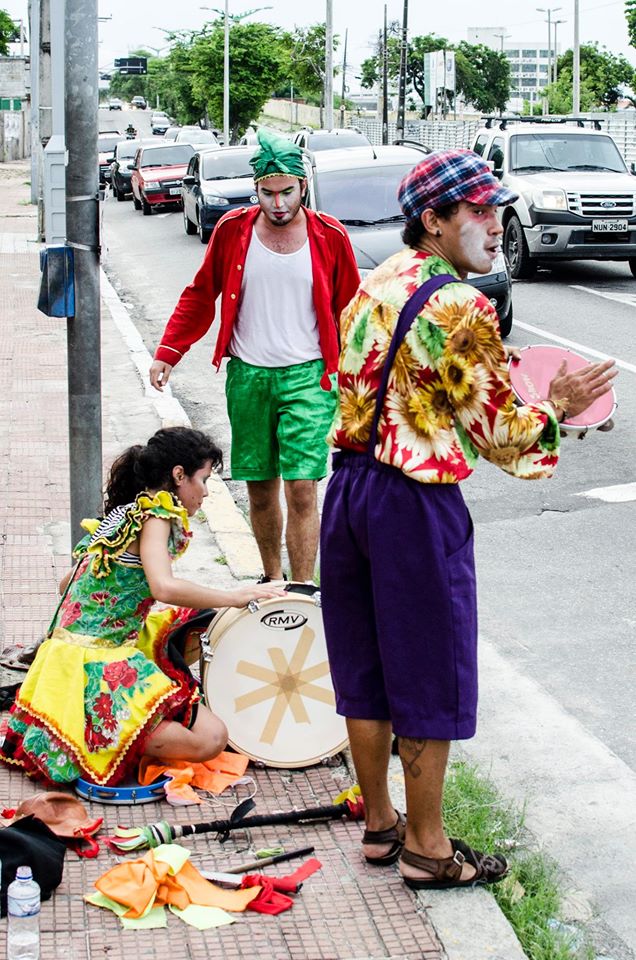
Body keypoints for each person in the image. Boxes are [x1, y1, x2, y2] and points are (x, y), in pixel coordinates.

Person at [319, 149, 618, 890]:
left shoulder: (382, 279)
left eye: (496, 209)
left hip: (349, 490)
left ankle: (380, 825)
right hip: (412, 505)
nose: (495, 223)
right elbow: (503, 437)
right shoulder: (462, 305)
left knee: (364, 666)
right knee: (426, 671)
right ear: (434, 220)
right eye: (479, 211)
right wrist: (559, 408)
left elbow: (411, 381)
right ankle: (427, 848)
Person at [0, 427, 284, 786]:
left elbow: (66, 584)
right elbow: (163, 587)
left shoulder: (124, 513)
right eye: (203, 480)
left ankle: (107, 729)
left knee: (188, 621)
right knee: (212, 739)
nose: (206, 492)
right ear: (178, 475)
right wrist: (236, 595)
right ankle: (100, 738)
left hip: (60, 661)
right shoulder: (157, 514)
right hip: (97, 664)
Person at [149, 128, 360, 584]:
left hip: (310, 377)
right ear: (256, 190)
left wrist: (362, 376)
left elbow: (351, 311)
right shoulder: (232, 231)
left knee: (302, 487)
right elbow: (201, 294)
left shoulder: (329, 236)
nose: (278, 203)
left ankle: (301, 588)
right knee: (261, 489)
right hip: (248, 377)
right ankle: (271, 582)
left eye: (288, 192)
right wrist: (169, 350)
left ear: (303, 187)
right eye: (269, 193)